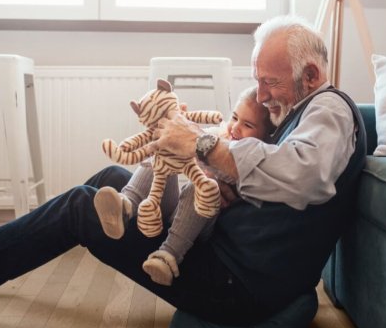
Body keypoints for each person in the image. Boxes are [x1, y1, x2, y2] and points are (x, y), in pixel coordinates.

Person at [0, 15, 366, 326]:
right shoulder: (299, 110)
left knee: (81, 209)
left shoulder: (330, 109)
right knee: (110, 181)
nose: (260, 95)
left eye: (270, 82)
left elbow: (306, 174)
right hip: (224, 250)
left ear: (312, 76)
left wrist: (200, 145)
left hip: (235, 282)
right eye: (257, 81)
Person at [93, 86, 274, 286]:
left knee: (202, 186)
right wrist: (178, 128)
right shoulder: (221, 135)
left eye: (247, 125)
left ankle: (167, 256)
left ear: (264, 137)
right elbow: (194, 137)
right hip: (177, 213)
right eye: (234, 117)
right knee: (163, 153)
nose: (235, 128)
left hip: (200, 228)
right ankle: (125, 205)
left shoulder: (252, 159)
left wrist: (204, 161)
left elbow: (209, 157)